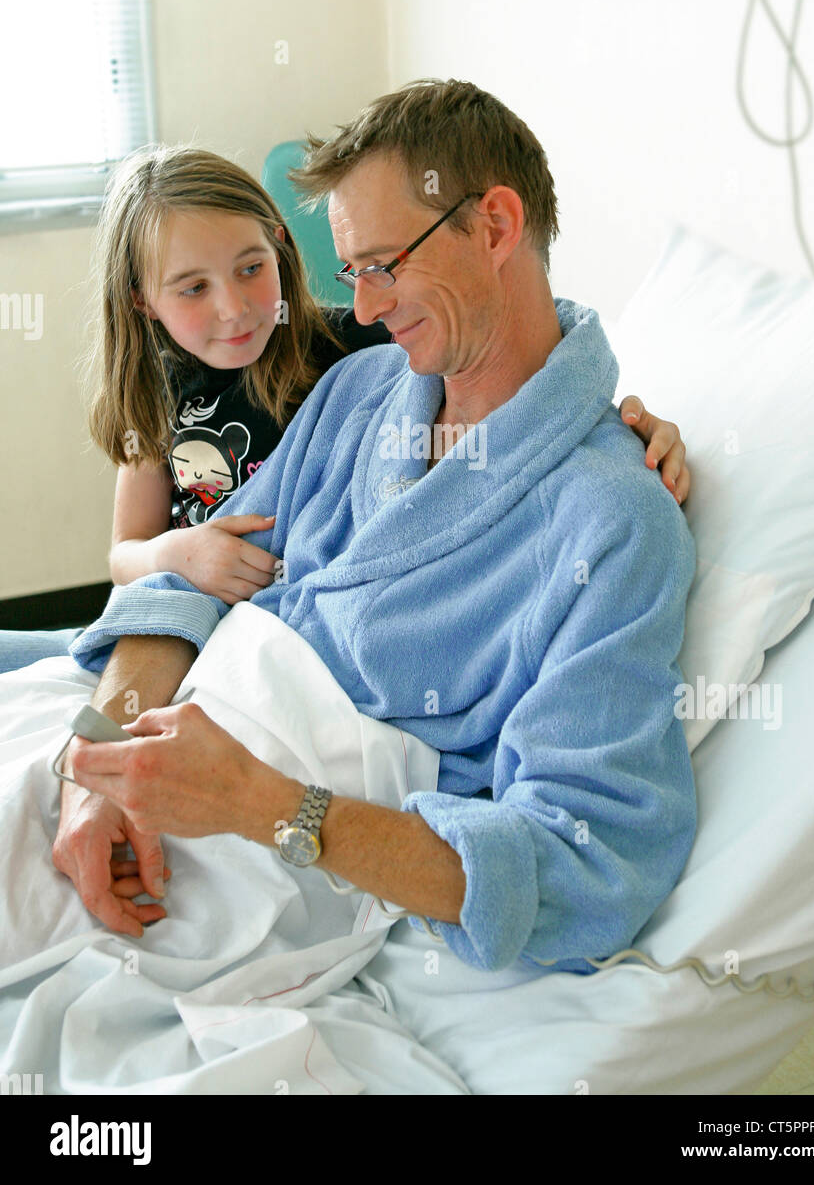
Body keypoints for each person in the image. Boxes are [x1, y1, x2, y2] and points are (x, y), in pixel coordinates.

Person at [53, 78, 698, 976]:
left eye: (383, 264)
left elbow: (585, 864)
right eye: (351, 271)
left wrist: (263, 804)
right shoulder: (359, 394)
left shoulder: (613, 519)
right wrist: (97, 761)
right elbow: (177, 585)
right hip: (149, 762)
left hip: (254, 844)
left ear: (496, 227)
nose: (360, 310)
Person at [0, 145, 686, 671]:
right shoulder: (154, 396)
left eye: (249, 268)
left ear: (278, 244)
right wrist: (181, 552)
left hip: (295, 618)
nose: (234, 308)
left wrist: (621, 422)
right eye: (191, 288)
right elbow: (124, 553)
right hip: (184, 613)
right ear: (141, 301)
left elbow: (512, 364)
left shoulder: (347, 341)